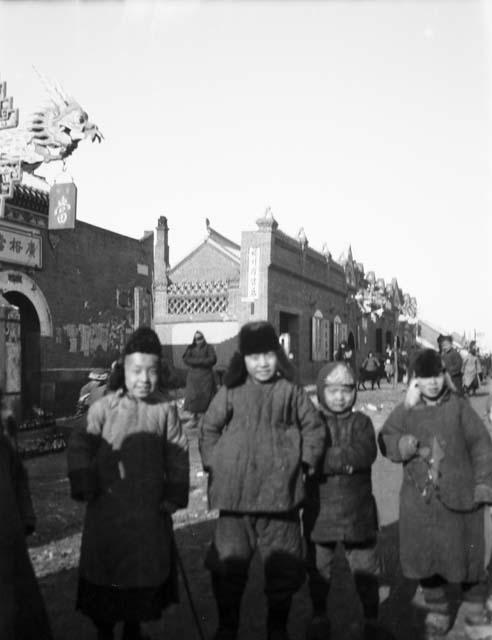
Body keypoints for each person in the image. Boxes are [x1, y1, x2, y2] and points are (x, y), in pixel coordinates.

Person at [199, 321, 325, 640]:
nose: (263, 363)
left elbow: (314, 428)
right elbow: (209, 429)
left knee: (282, 568)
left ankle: (277, 629)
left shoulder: (290, 391)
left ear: (278, 355)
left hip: (280, 495)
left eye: (269, 354)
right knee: (228, 565)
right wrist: (217, 462)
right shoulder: (230, 391)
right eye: (255, 357)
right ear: (244, 359)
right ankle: (228, 628)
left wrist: (306, 462)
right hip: (235, 497)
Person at [67, 327, 190, 640]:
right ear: (124, 370)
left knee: (140, 580)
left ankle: (133, 630)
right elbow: (80, 443)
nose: (144, 379)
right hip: (106, 511)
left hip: (148, 512)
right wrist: (85, 479)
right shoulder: (103, 408)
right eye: (137, 371)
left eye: (151, 371)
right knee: (105, 576)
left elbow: (177, 452)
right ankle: (104, 631)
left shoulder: (164, 410)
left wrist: (174, 493)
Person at [378, 349, 492, 639]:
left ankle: (477, 614)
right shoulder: (406, 409)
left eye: (437, 376)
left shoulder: (458, 407)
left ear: (445, 376)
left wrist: (483, 484)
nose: (432, 383)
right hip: (420, 501)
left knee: (468, 560)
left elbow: (482, 445)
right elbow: (387, 437)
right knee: (425, 561)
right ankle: (439, 611)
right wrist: (402, 443)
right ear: (416, 379)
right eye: (425, 377)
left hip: (460, 498)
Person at [303, 362, 379, 640]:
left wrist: (327, 460)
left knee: (366, 570)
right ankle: (319, 615)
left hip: (357, 512)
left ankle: (372, 620)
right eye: (332, 390)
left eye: (346, 390)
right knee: (318, 571)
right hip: (319, 512)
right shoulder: (313, 423)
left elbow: (364, 453)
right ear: (322, 391)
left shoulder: (362, 423)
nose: (339, 397)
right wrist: (342, 461)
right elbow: (309, 455)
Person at [0, 390, 53, 639]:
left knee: (17, 611)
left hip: (8, 540)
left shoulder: (3, 448)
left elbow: (19, 478)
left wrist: (27, 515)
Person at [183, 331, 217, 428]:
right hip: (193, 378)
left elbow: (212, 359)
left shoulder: (209, 347)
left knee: (206, 398)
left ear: (204, 337)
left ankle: (205, 421)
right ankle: (194, 419)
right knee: (193, 398)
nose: (198, 341)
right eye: (196, 339)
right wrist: (201, 361)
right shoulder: (190, 348)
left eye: (200, 338)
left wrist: (197, 362)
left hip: (206, 377)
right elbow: (186, 359)